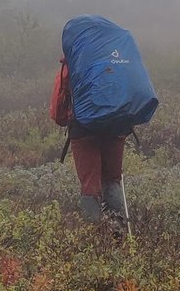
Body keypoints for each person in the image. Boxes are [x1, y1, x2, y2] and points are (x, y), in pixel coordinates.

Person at [50, 62, 129, 232]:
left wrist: (64, 118)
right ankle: (118, 230)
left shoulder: (74, 55)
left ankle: (94, 233)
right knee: (112, 179)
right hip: (116, 124)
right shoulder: (118, 53)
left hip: (83, 127)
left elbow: (59, 100)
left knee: (89, 184)